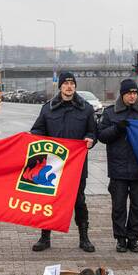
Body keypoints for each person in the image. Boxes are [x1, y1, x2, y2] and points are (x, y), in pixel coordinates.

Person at [30, 71, 97, 252]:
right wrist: (37, 139)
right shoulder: (48, 108)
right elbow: (37, 131)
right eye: (66, 83)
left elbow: (93, 132)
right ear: (60, 86)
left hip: (76, 165)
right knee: (48, 201)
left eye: (72, 83)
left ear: (75, 86)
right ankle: (45, 237)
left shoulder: (86, 109)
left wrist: (90, 139)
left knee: (79, 201)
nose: (69, 86)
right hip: (53, 166)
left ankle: (84, 238)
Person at [97, 78, 138, 253]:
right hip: (118, 169)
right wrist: (117, 129)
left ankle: (133, 238)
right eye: (129, 93)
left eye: (135, 93)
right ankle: (120, 238)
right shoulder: (110, 113)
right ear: (122, 95)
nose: (132, 96)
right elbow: (101, 136)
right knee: (119, 207)